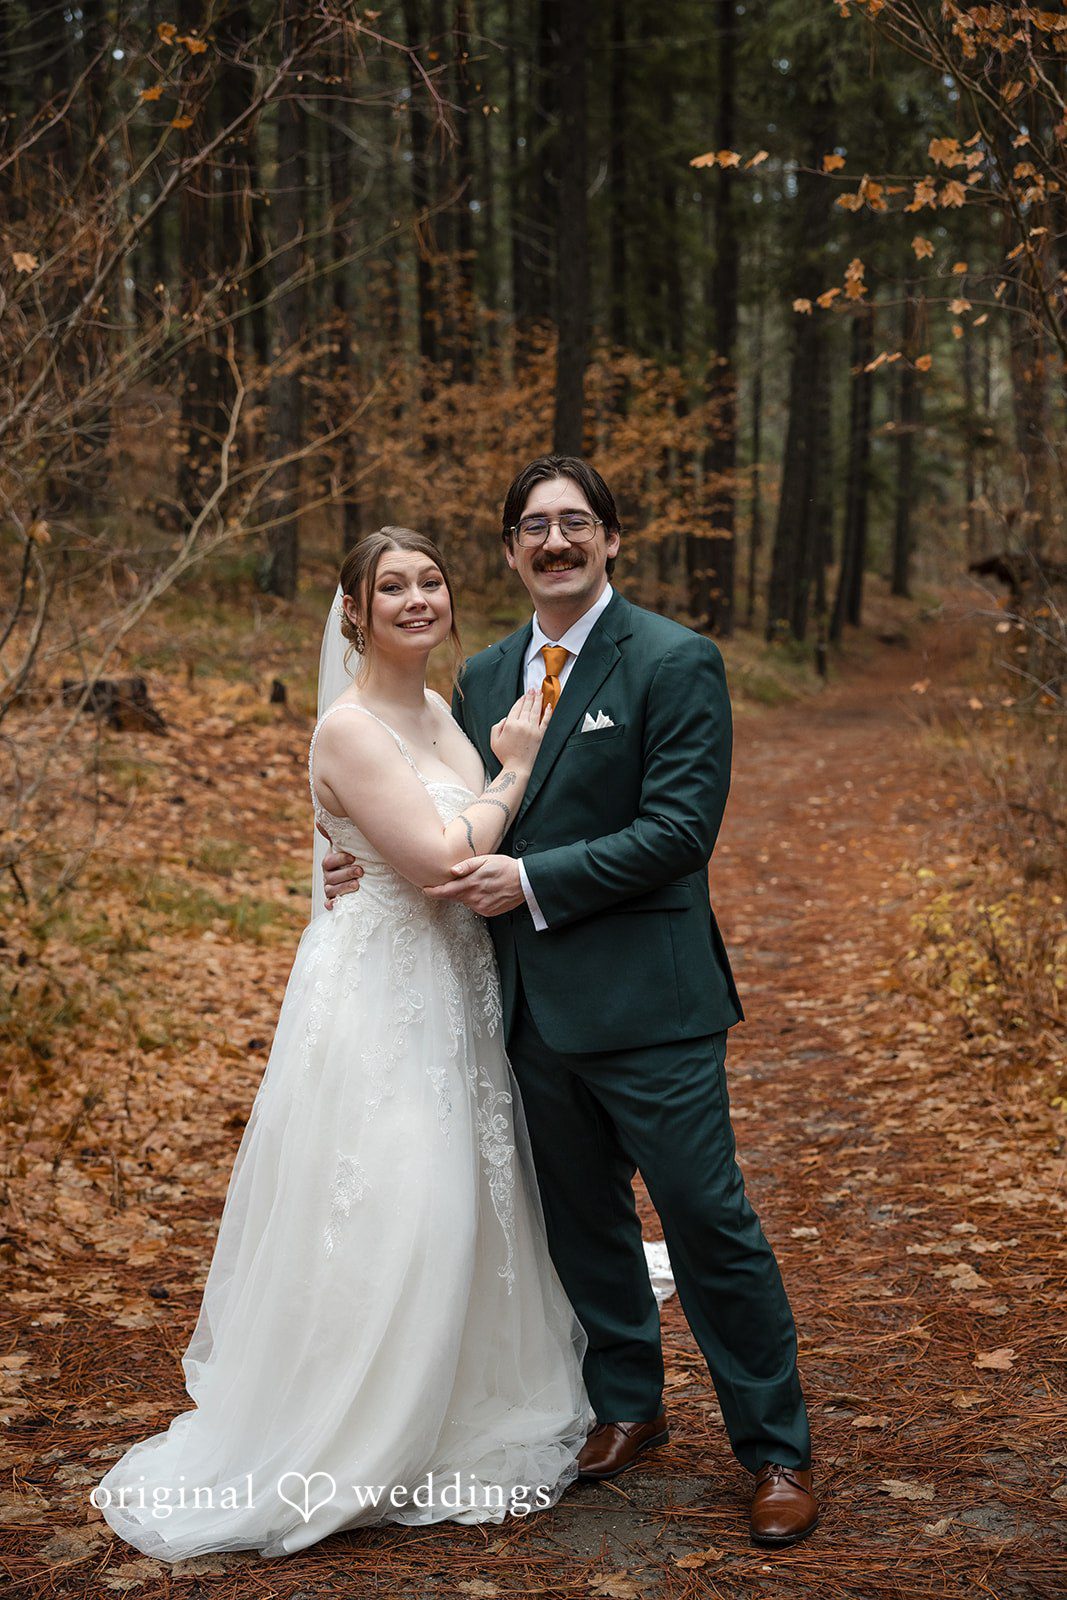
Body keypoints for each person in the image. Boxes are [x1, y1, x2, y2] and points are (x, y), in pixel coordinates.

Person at [324, 457, 820, 1548]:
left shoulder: (674, 660)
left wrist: (536, 881)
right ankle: (627, 1402)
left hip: (652, 1003)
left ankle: (774, 1447)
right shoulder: (485, 674)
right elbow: (436, 813)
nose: (554, 542)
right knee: (581, 1223)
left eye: (575, 523)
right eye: (533, 527)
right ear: (508, 550)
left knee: (706, 1220)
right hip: (521, 1008)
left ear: (609, 540)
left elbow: (679, 831)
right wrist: (350, 861)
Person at [92, 528, 590, 1562]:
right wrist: (514, 770)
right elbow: (442, 861)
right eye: (391, 587)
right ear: (352, 610)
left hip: (453, 994)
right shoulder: (352, 727)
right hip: (378, 1002)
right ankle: (346, 1434)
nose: (417, 599)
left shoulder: (444, 710)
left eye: (430, 581)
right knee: (399, 1204)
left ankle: (448, 1415)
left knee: (467, 1205)